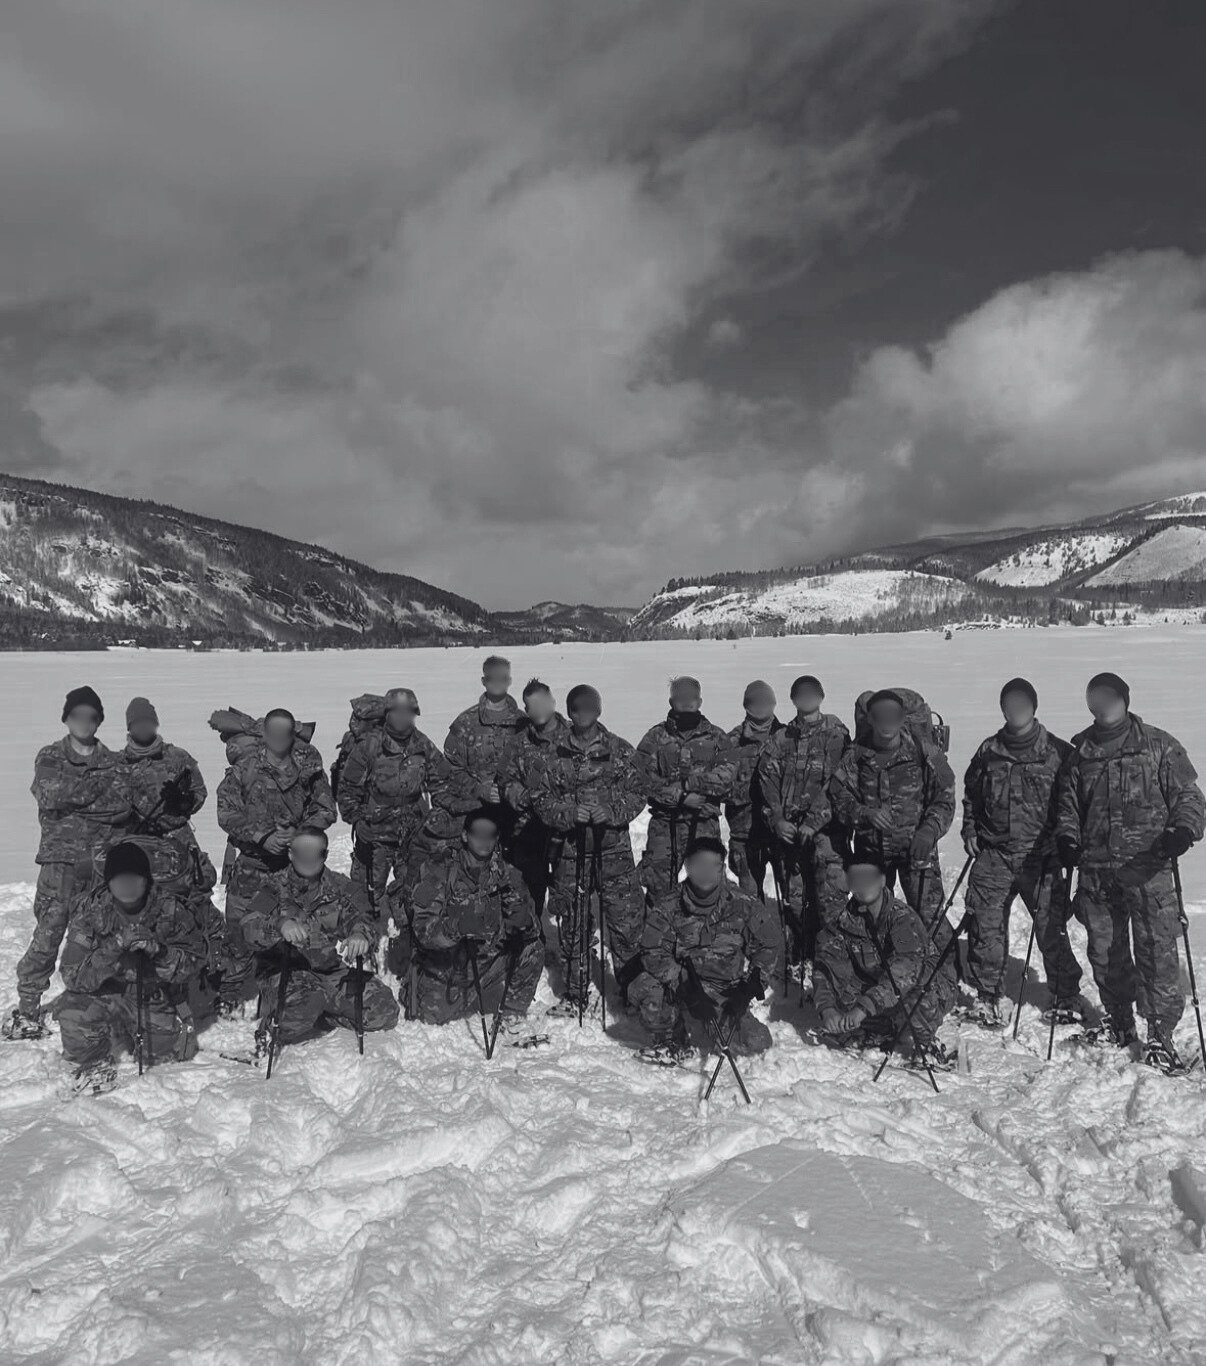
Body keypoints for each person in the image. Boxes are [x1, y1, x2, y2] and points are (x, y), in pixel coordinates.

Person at [1055, 673, 1205, 1069]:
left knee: (1157, 953)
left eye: (1108, 696)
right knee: (1105, 952)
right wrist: (1068, 839)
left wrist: (1182, 831)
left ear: (1123, 699)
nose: (1100, 703)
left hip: (1149, 869)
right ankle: (1119, 1021)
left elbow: (1190, 798)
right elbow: (1069, 807)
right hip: (1097, 872)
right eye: (1094, 697)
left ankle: (1160, 1034)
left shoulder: (1158, 745)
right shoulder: (1081, 752)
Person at [6, 686, 133, 1041]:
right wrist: (97, 792)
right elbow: (49, 795)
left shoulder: (112, 761)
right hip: (59, 866)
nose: (84, 722)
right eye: (77, 715)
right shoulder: (50, 756)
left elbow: (122, 807)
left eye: (91, 716)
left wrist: (76, 797)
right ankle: (28, 1006)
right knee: (47, 935)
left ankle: (86, 1003)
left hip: (98, 866)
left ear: (98, 721)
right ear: (66, 718)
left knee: (93, 935)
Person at [961, 678, 1081, 1029]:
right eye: (1008, 704)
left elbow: (1073, 804)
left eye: (1021, 704)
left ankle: (1065, 994)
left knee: (1050, 928)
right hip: (995, 855)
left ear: (1033, 707)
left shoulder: (1059, 753)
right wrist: (969, 830)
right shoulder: (989, 751)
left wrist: (1066, 844)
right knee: (986, 924)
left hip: (1040, 857)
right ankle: (987, 995)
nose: (1015, 710)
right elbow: (971, 797)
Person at [526, 685, 647, 1016]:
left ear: (599, 710)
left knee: (625, 925)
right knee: (574, 924)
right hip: (571, 851)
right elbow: (540, 799)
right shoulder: (555, 756)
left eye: (590, 708)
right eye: (578, 709)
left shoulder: (620, 751)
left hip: (613, 853)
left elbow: (638, 793)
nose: (585, 715)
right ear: (570, 712)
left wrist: (610, 809)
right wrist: (569, 812)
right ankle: (576, 992)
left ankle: (632, 991)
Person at [56, 841, 207, 1096]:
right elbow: (73, 975)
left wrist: (159, 951)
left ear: (147, 881)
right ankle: (96, 1056)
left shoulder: (172, 909)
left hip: (155, 993)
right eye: (119, 881)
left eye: (133, 880)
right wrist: (114, 948)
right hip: (107, 990)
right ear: (108, 883)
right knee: (73, 1014)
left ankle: (138, 1027)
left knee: (166, 1055)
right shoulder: (91, 910)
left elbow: (195, 963)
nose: (126, 888)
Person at [215, 708, 336, 1013]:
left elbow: (326, 810)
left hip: (291, 867)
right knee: (238, 930)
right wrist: (262, 835)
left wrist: (300, 832)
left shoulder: (308, 768)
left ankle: (288, 981)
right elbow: (226, 813)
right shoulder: (245, 769)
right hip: (252, 865)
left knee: (292, 925)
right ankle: (231, 989)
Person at [240, 829, 398, 1051]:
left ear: (324, 855)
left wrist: (360, 935)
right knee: (303, 1007)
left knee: (383, 1009)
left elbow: (364, 916)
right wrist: (279, 925)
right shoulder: (273, 887)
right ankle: (275, 1026)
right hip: (286, 970)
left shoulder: (340, 887)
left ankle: (323, 1014)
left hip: (329, 970)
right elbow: (249, 927)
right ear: (291, 854)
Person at [829, 689, 956, 949]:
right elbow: (838, 797)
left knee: (931, 921)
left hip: (917, 853)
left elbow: (945, 796)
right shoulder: (856, 755)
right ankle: (883, 975)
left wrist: (929, 830)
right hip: (872, 854)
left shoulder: (926, 750)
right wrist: (864, 814)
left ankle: (943, 977)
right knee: (871, 920)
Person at [634, 837, 778, 1065]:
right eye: (699, 865)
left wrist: (750, 985)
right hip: (683, 986)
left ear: (722, 868)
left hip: (725, 990)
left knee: (756, 1043)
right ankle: (673, 1038)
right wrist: (682, 984)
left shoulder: (743, 902)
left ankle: (715, 1024)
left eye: (713, 866)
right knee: (646, 991)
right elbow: (651, 951)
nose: (706, 872)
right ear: (687, 866)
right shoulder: (669, 905)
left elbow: (768, 946)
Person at [407, 811, 543, 1043]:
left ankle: (511, 1015)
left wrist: (527, 921)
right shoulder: (438, 870)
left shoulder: (507, 874)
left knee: (533, 948)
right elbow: (423, 932)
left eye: (490, 836)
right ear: (464, 836)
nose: (484, 841)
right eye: (477, 835)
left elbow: (532, 927)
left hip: (487, 959)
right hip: (447, 968)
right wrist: (456, 927)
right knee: (430, 1017)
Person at [813, 854, 955, 1066]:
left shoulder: (902, 917)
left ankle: (926, 1045)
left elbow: (906, 971)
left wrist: (864, 1007)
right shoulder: (844, 921)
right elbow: (826, 964)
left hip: (926, 986)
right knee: (843, 992)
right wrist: (827, 1008)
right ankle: (883, 1029)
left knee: (916, 991)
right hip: (879, 988)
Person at [335, 686, 456, 927]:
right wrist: (358, 821)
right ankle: (363, 939)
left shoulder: (423, 745)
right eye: (397, 713)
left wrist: (439, 818)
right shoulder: (369, 746)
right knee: (364, 897)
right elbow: (347, 791)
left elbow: (442, 784)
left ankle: (409, 939)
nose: (403, 718)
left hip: (412, 834)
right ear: (387, 714)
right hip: (375, 833)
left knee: (416, 890)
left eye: (408, 713)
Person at [756, 674, 851, 975]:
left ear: (821, 696)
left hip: (828, 835)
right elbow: (766, 782)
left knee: (830, 901)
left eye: (812, 694)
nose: (807, 699)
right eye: (801, 694)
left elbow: (841, 783)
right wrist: (777, 819)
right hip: (790, 834)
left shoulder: (837, 734)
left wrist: (814, 821)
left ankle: (833, 961)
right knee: (795, 901)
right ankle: (800, 954)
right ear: (793, 699)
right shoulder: (781, 739)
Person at [636, 676, 735, 902]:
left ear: (700, 702)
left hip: (704, 823)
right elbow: (642, 778)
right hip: (665, 824)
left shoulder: (717, 737)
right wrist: (679, 796)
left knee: (709, 885)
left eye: (691, 702)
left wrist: (693, 784)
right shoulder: (656, 737)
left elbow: (728, 776)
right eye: (681, 701)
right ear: (671, 703)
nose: (687, 706)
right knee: (659, 886)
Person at [502, 679, 570, 916]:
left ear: (553, 701)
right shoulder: (518, 743)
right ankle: (532, 949)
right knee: (528, 903)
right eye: (532, 706)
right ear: (527, 710)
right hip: (529, 832)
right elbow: (505, 780)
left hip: (568, 836)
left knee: (570, 905)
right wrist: (515, 793)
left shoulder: (576, 737)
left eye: (542, 703)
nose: (538, 710)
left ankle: (574, 952)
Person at [443, 655, 525, 839]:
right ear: (483, 681)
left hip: (516, 816)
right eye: (491, 678)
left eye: (502, 678)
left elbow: (537, 766)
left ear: (509, 681)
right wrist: (479, 789)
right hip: (476, 813)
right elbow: (449, 769)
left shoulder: (523, 723)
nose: (497, 683)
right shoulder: (465, 723)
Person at [724, 680, 783, 897]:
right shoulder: (731, 742)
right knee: (749, 899)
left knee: (793, 899)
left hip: (781, 833)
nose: (761, 710)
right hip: (745, 834)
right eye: (756, 705)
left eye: (766, 704)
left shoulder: (787, 738)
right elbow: (718, 785)